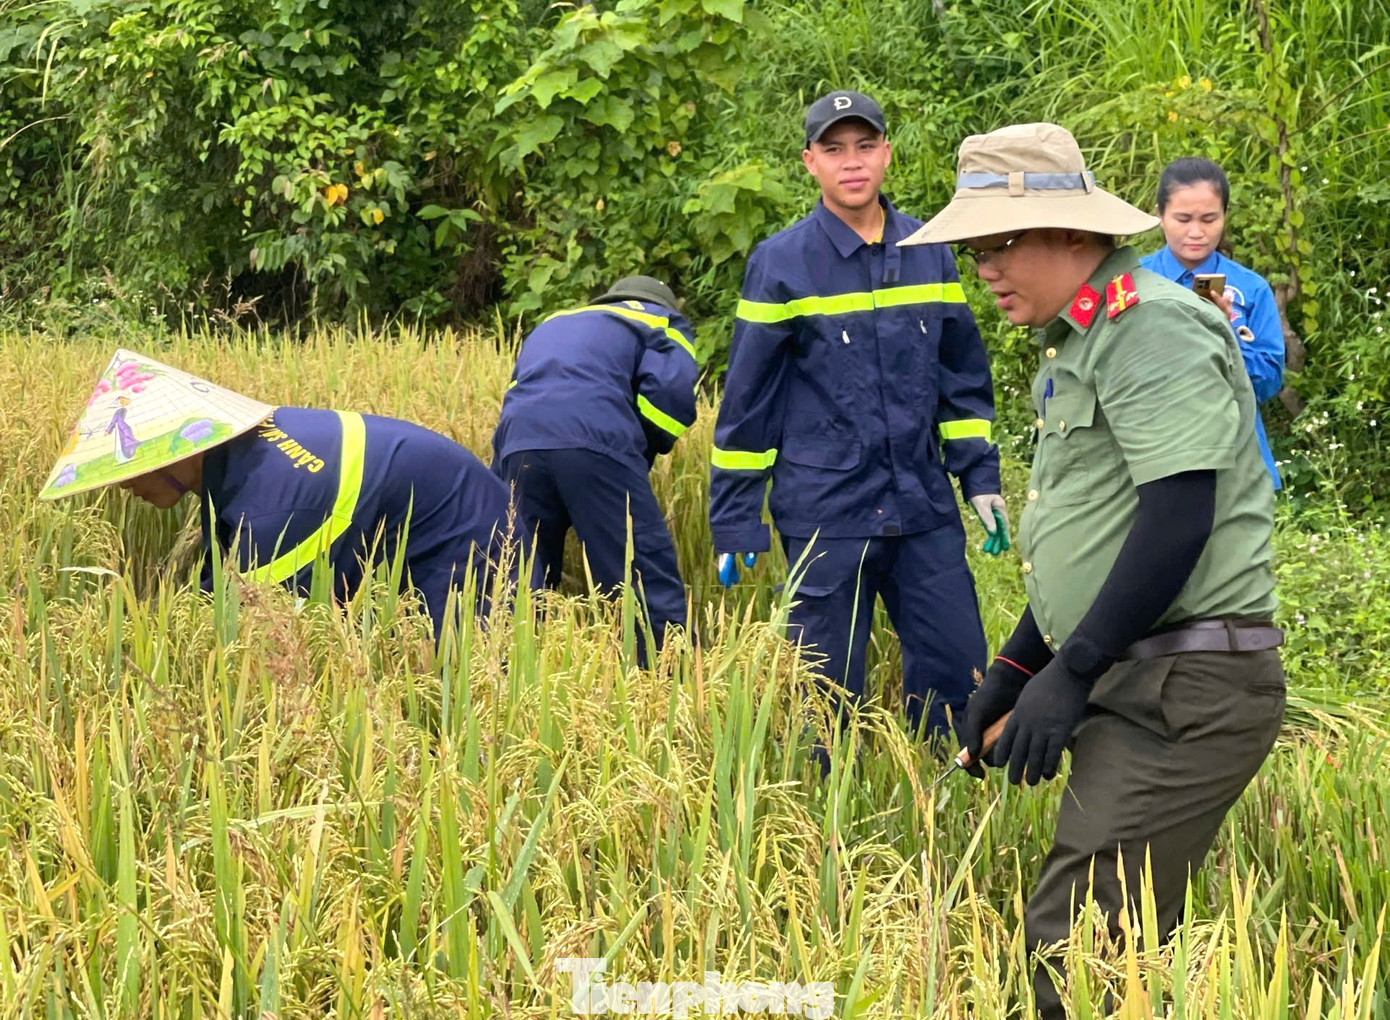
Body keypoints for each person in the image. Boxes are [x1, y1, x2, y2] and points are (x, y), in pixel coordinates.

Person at [902, 123, 1286, 1019]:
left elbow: (1178, 514)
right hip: (1137, 668)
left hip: (1185, 685)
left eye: (997, 245)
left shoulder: (1147, 327)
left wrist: (1073, 670)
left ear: (1072, 235)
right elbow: (1100, 536)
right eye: (972, 251)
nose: (983, 269)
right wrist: (1018, 668)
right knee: (1093, 931)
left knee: (1078, 939)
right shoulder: (1080, 343)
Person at [709, 89, 1006, 748]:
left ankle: (948, 808)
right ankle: (825, 820)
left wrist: (980, 478)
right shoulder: (780, 265)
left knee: (961, 673)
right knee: (823, 693)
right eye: (835, 150)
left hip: (923, 506)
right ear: (809, 161)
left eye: (865, 146)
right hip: (826, 512)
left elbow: (962, 379)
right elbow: (749, 404)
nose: (852, 163)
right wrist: (735, 519)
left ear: (887, 155)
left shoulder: (932, 249)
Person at [40, 349, 520, 642]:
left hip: (476, 543)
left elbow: (265, 623)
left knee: (457, 690)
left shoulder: (274, 506)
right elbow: (221, 575)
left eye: (127, 469)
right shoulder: (237, 457)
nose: (124, 487)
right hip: (431, 516)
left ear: (169, 455)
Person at [491, 275, 698, 661]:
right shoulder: (661, 321)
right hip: (595, 435)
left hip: (518, 441)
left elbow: (521, 393)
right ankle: (667, 680)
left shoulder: (555, 322)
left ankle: (506, 672)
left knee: (519, 566)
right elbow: (671, 401)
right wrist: (638, 453)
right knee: (639, 569)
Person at [1141, 157, 1285, 489]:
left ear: (1224, 217)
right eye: (1182, 219)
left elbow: (1267, 382)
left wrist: (1225, 336)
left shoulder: (1250, 289)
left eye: (1209, 219)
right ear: (1160, 215)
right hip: (1148, 456)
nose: (1196, 232)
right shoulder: (1132, 281)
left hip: (1234, 462)